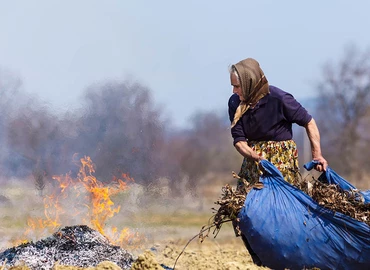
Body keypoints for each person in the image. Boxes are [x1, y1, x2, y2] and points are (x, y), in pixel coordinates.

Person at [228, 57, 328, 266]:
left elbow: (309, 122)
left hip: (281, 158)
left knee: (282, 212)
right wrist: (253, 155)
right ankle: (262, 256)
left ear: (249, 82)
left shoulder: (279, 98)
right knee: (238, 208)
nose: (234, 91)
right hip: (253, 158)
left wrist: (317, 154)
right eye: (232, 86)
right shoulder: (235, 103)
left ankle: (293, 257)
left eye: (237, 86)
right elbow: (238, 140)